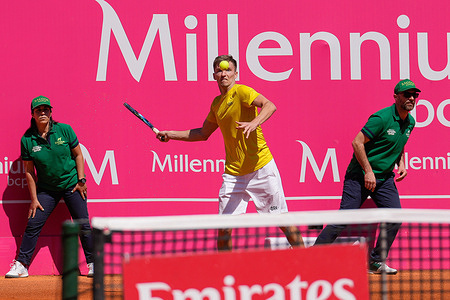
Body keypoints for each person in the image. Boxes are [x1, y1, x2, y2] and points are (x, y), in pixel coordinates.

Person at [156, 55, 304, 251]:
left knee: (283, 221)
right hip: (234, 175)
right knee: (224, 228)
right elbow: (202, 133)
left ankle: (307, 260)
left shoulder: (242, 91)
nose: (223, 73)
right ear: (214, 75)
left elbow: (270, 105)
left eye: (227, 70)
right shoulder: (217, 104)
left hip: (261, 168)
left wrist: (254, 122)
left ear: (236, 74)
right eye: (219, 70)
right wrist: (170, 134)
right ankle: (226, 273)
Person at [314, 79, 420, 274]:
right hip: (359, 176)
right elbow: (357, 142)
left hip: (385, 179)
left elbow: (399, 143)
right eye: (407, 94)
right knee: (343, 219)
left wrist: (401, 163)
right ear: (396, 97)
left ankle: (375, 262)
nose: (411, 98)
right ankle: (311, 258)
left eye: (414, 95)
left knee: (395, 217)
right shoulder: (381, 118)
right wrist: (368, 171)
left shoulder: (410, 122)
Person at [6, 96, 94, 278]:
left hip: (72, 185)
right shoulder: (27, 140)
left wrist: (81, 180)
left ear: (51, 112)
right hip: (47, 190)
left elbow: (78, 155)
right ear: (32, 114)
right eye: (39, 110)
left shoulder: (65, 130)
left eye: (46, 109)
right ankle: (21, 265)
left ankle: (93, 263)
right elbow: (29, 171)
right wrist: (34, 199)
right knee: (33, 223)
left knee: (83, 223)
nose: (43, 113)